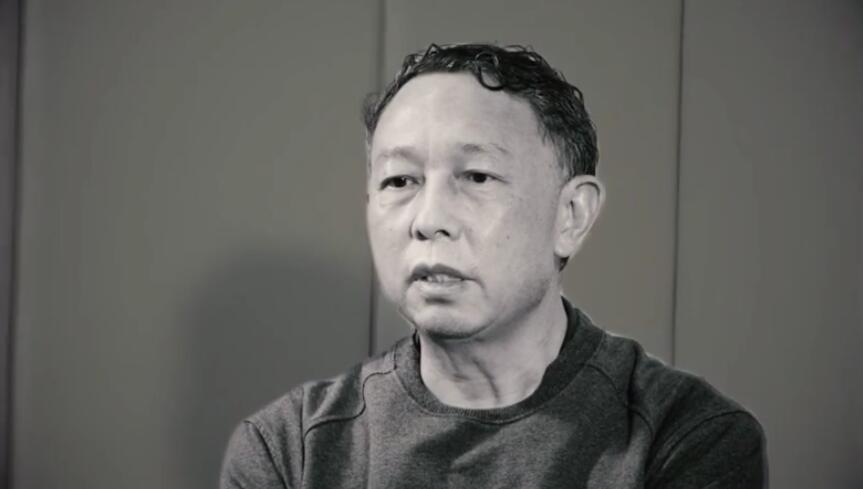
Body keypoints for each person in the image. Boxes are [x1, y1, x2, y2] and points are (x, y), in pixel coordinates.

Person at [219, 43, 767, 488]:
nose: (429, 220)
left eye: (477, 176)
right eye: (399, 181)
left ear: (571, 215)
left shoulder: (686, 437)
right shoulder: (291, 451)